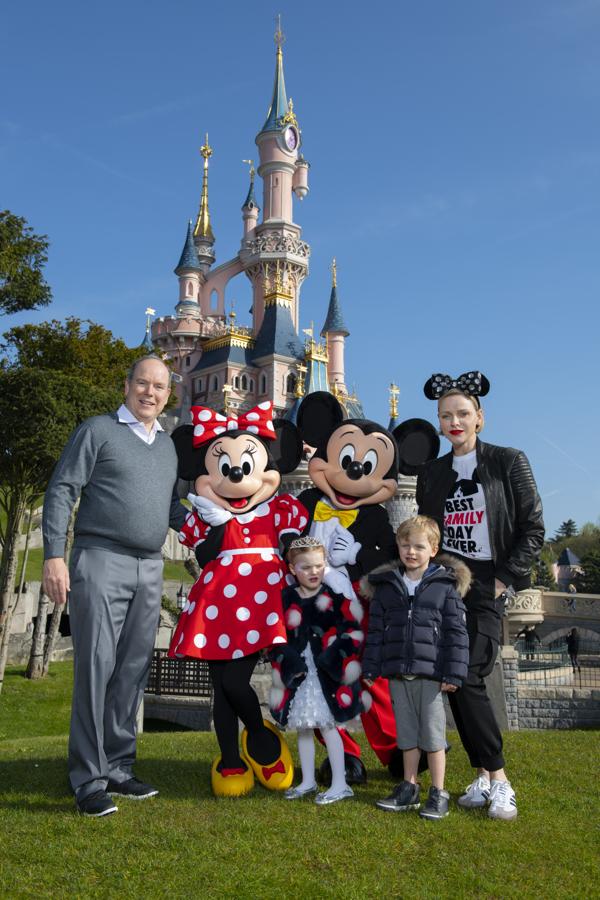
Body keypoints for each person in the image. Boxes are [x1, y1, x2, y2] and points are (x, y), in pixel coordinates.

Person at [42, 355, 187, 817]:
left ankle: (119, 766)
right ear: (126, 386)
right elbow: (63, 488)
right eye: (141, 383)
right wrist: (53, 556)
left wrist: (220, 545)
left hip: (150, 564)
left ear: (168, 395)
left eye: (159, 387)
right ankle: (88, 779)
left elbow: (172, 510)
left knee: (131, 671)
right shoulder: (97, 431)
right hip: (101, 559)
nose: (149, 393)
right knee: (96, 668)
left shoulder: (166, 446)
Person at [416, 371, 544, 820]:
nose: (454, 422)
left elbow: (533, 527)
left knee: (469, 673)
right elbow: (428, 533)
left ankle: (500, 778)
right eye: (445, 416)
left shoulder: (508, 461)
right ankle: (484, 776)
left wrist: (505, 579)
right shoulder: (433, 473)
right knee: (453, 679)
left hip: (490, 584)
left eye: (462, 414)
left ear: (480, 418)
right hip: (449, 585)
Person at [167, 402, 305, 797]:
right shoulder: (205, 516)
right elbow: (204, 555)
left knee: (234, 680)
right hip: (215, 606)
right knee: (220, 687)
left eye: (246, 465)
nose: (236, 475)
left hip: (259, 604)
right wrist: (217, 520)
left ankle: (260, 737)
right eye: (223, 468)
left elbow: (291, 542)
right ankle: (230, 757)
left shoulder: (279, 508)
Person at [361, 516, 469, 820]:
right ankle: (408, 787)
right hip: (397, 672)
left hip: (431, 675)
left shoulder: (445, 586)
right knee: (406, 734)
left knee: (433, 736)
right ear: (398, 546)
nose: (411, 552)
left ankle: (438, 791)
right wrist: (370, 669)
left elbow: (457, 635)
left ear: (433, 550)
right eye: (406, 545)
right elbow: (376, 632)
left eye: (419, 546)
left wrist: (453, 673)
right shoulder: (387, 587)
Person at [269, 537, 364, 805]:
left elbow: (351, 633)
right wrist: (287, 659)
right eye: (306, 567)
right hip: (300, 675)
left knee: (328, 726)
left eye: (318, 566)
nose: (313, 572)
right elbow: (276, 637)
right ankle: (308, 780)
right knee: (304, 727)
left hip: (326, 675)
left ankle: (340, 783)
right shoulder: (285, 599)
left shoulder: (333, 599)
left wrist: (332, 658)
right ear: (292, 569)